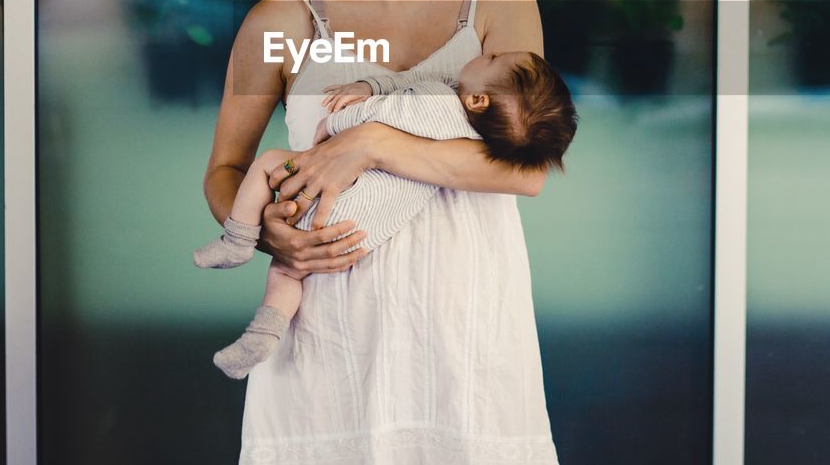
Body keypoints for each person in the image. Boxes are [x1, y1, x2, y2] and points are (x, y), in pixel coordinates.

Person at [201, 0, 560, 465]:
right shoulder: (284, 19)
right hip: (328, 343)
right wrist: (268, 230)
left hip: (469, 337)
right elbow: (225, 171)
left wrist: (372, 141)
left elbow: (526, 169)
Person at [194, 49, 578, 380]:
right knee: (288, 271)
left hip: (342, 198)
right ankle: (261, 337)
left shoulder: (437, 103)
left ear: (478, 100)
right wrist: (371, 86)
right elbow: (416, 85)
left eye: (492, 58)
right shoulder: (474, 133)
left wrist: (337, 126)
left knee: (269, 164)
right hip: (365, 229)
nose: (484, 55)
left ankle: (238, 241)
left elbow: (383, 116)